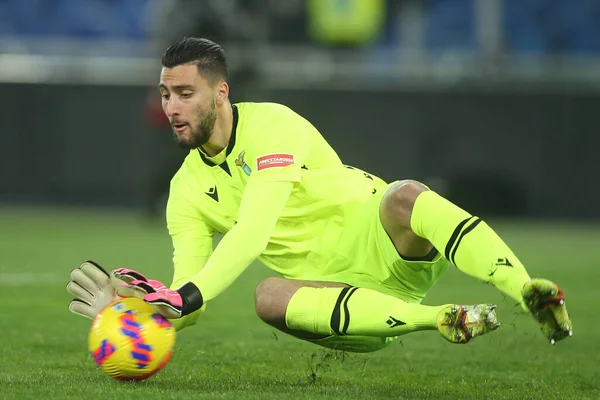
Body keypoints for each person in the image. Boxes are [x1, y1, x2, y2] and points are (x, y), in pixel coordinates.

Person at [67, 37, 572, 353]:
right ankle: (439, 320)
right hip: (337, 303)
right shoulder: (186, 193)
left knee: (405, 195)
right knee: (267, 297)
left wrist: (185, 295)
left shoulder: (273, 126)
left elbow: (252, 230)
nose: (171, 107)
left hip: (387, 243)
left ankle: (528, 291)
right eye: (164, 94)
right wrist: (131, 311)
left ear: (220, 93)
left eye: (184, 93)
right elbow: (188, 302)